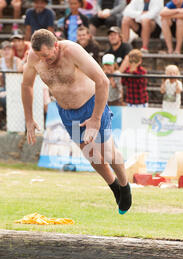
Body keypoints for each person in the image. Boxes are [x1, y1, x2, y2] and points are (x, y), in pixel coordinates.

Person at [21, 29, 132, 214]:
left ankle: (125, 185)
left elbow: (102, 81)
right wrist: (29, 119)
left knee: (107, 151)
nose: (44, 60)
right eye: (40, 57)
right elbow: (26, 85)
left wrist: (95, 119)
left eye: (47, 56)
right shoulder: (34, 58)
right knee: (92, 155)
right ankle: (114, 186)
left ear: (55, 45)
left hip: (91, 105)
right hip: (67, 112)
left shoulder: (72, 51)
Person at [0, 41, 23, 129]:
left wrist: (8, 92)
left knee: (4, 98)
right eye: (4, 50)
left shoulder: (17, 61)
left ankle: (10, 120)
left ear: (12, 51)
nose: (7, 52)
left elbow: (20, 77)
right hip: (5, 87)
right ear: (1, 52)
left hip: (16, 88)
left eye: (9, 49)